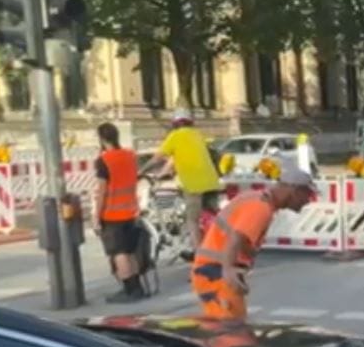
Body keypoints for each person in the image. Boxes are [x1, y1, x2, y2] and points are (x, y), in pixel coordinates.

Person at [191, 165, 316, 321]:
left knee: (224, 328)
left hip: (213, 271)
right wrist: (228, 270)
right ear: (295, 190)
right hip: (215, 273)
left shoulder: (258, 200)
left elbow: (240, 239)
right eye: (307, 195)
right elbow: (236, 237)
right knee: (231, 333)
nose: (307, 201)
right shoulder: (261, 207)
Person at [140, 109, 223, 260]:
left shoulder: (175, 136)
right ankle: (222, 246)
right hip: (211, 181)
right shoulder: (197, 135)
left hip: (193, 184)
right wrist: (167, 171)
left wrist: (141, 171)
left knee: (193, 221)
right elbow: (176, 159)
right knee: (213, 216)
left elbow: (158, 158)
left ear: (175, 124)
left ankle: (200, 259)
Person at [93, 122, 144, 303]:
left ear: (101, 138)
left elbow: (102, 191)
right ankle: (138, 287)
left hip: (112, 214)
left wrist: (96, 217)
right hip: (131, 210)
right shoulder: (130, 156)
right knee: (130, 252)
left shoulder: (104, 160)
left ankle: (129, 290)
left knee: (119, 253)